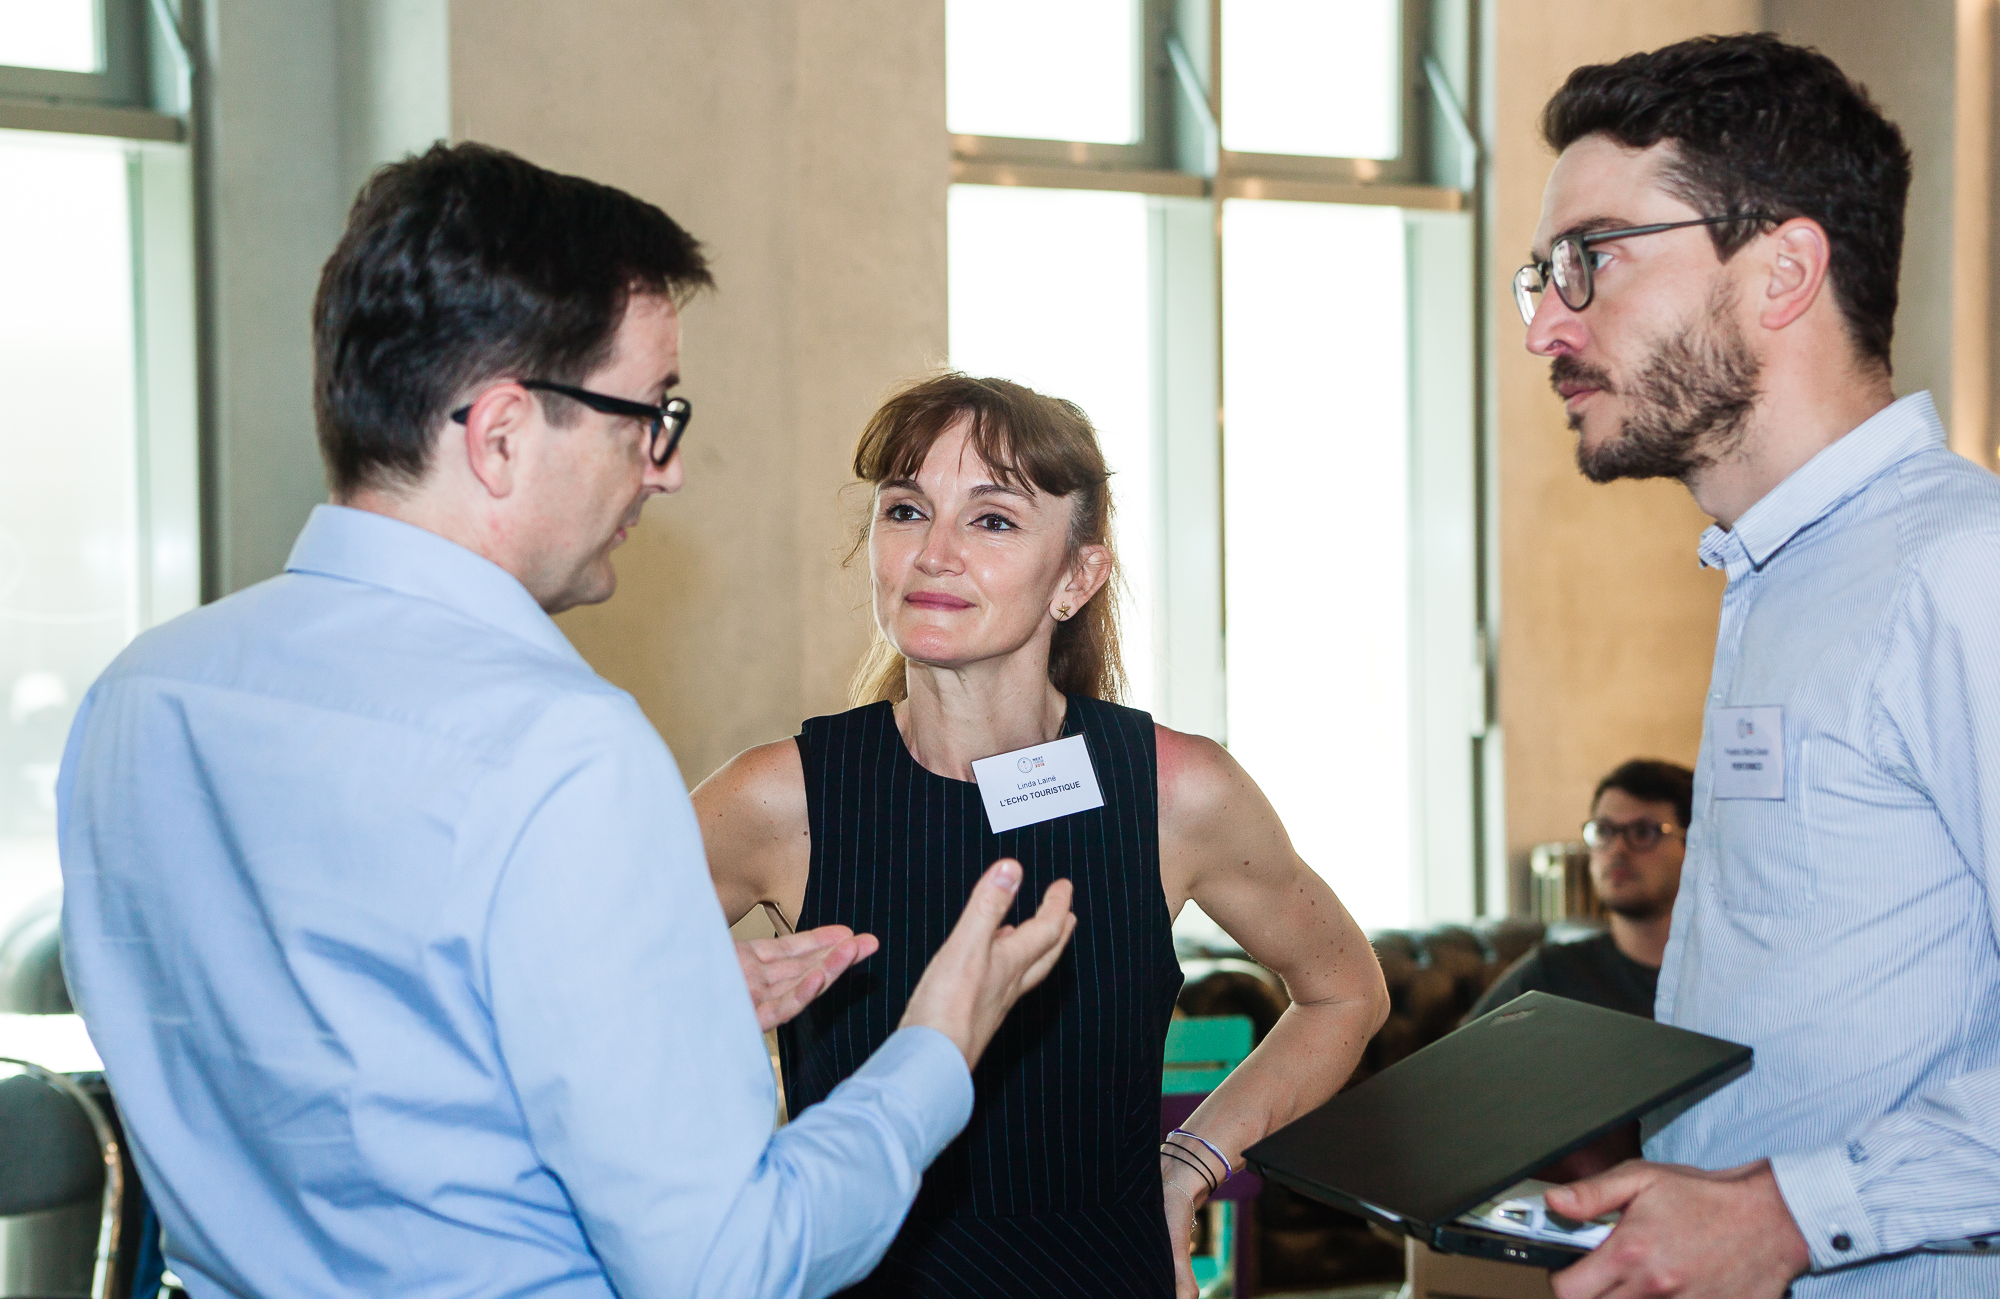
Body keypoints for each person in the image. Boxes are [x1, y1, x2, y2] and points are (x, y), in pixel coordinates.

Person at [55, 143, 1079, 1299]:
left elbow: (322, 1069)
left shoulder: (141, 696)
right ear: (499, 434)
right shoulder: (560, 749)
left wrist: (641, 1018)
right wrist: (935, 1049)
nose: (666, 469)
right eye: (649, 413)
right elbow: (727, 1266)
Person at [696, 374, 1392, 1299]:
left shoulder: (1173, 791)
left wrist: (1186, 1167)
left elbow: (1345, 993)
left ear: (1077, 577)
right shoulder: (781, 800)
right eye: (906, 511)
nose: (934, 553)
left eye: (991, 520)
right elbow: (564, 1003)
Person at [1514, 34, 2000, 1297]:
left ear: (1782, 270)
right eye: (1541, 275)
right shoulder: (1774, 576)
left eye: (1592, 257)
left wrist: (1788, 1216)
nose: (1546, 325)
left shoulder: (1960, 570)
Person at [1469, 759, 1691, 1021]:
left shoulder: (1723, 982)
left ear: (1694, 846)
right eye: (1604, 831)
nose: (1617, 849)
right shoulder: (1551, 976)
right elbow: (1461, 1046)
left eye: (1643, 832)